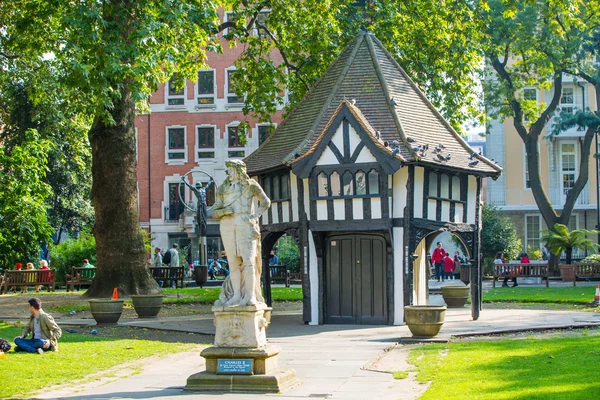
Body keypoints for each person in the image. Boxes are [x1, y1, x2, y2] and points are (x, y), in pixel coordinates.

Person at [212, 160, 270, 307]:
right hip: (227, 225)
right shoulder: (223, 188)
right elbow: (215, 212)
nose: (228, 172)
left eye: (230, 169)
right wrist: (225, 211)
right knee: (232, 262)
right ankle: (237, 294)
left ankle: (250, 296)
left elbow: (265, 202)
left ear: (238, 170)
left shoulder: (250, 185)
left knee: (249, 261)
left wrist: (255, 216)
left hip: (245, 225)